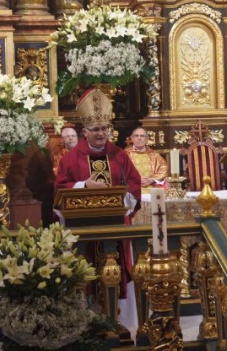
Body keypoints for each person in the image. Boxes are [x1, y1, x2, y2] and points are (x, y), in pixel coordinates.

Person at [54, 88, 142, 329]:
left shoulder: (119, 155)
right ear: (85, 132)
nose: (102, 133)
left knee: (117, 271)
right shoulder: (70, 158)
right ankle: (85, 322)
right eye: (96, 129)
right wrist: (83, 186)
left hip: (115, 227)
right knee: (86, 271)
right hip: (84, 230)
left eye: (105, 129)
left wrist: (120, 198)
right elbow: (59, 189)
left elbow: (134, 184)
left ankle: (119, 323)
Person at [125, 127, 168, 194]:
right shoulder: (125, 154)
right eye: (136, 136)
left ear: (147, 139)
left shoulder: (154, 154)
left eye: (142, 136)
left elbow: (163, 168)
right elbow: (120, 172)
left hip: (152, 188)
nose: (139, 138)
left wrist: (152, 179)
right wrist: (136, 180)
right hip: (132, 189)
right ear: (132, 138)